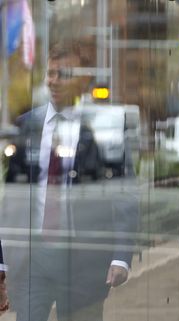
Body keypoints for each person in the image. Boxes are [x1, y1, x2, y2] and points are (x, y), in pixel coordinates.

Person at [1, 41, 138, 321]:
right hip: (32, 260)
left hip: (83, 260)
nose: (54, 81)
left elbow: (124, 194)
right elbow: (10, 196)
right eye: (51, 73)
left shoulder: (101, 127)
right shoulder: (28, 125)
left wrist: (120, 256)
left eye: (63, 74)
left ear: (83, 80)